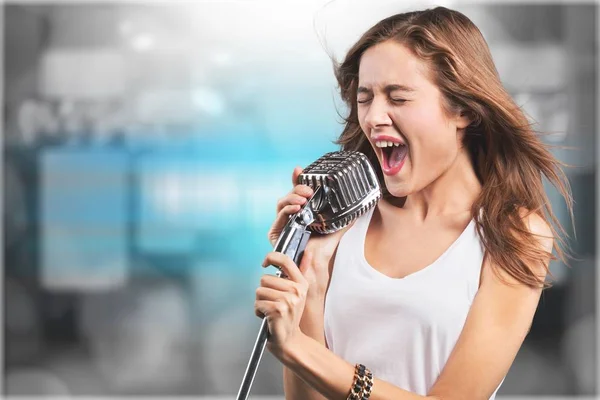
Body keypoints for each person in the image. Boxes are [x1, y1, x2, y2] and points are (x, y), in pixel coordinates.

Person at [254, 6, 572, 400]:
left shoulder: (513, 235)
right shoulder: (344, 225)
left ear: (464, 110)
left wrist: (298, 349)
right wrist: (310, 275)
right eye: (365, 98)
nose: (373, 118)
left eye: (398, 98)